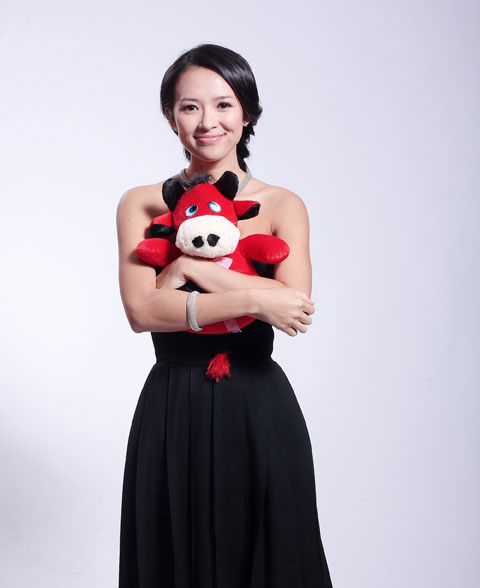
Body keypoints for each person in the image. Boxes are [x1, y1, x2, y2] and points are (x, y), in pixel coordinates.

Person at [116, 43, 334, 588]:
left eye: (224, 104)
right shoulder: (141, 203)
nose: (207, 121)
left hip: (258, 405)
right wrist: (257, 297)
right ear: (170, 116)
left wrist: (188, 267)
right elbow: (142, 310)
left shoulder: (282, 205)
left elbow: (295, 307)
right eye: (190, 107)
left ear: (248, 113)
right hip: (172, 405)